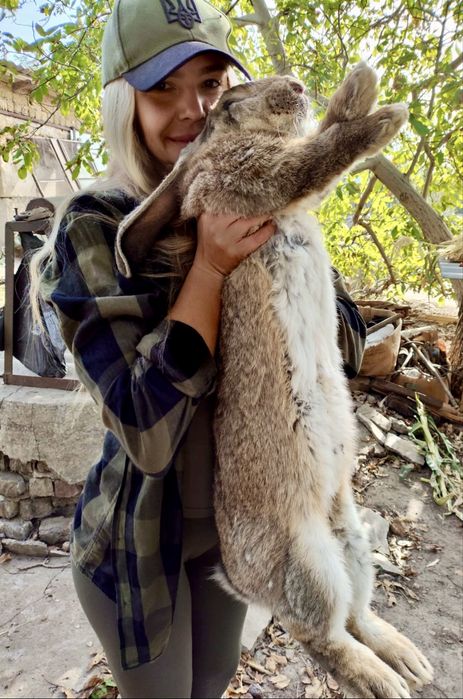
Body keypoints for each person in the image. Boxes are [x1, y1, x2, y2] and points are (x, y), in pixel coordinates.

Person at [31, 1, 366, 697]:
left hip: (238, 530)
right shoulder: (98, 227)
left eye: (211, 84)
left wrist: (288, 234)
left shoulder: (261, 200)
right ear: (124, 102)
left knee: (212, 680)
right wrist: (210, 269)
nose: (193, 110)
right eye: (162, 89)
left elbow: (345, 347)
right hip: (136, 544)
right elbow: (146, 433)